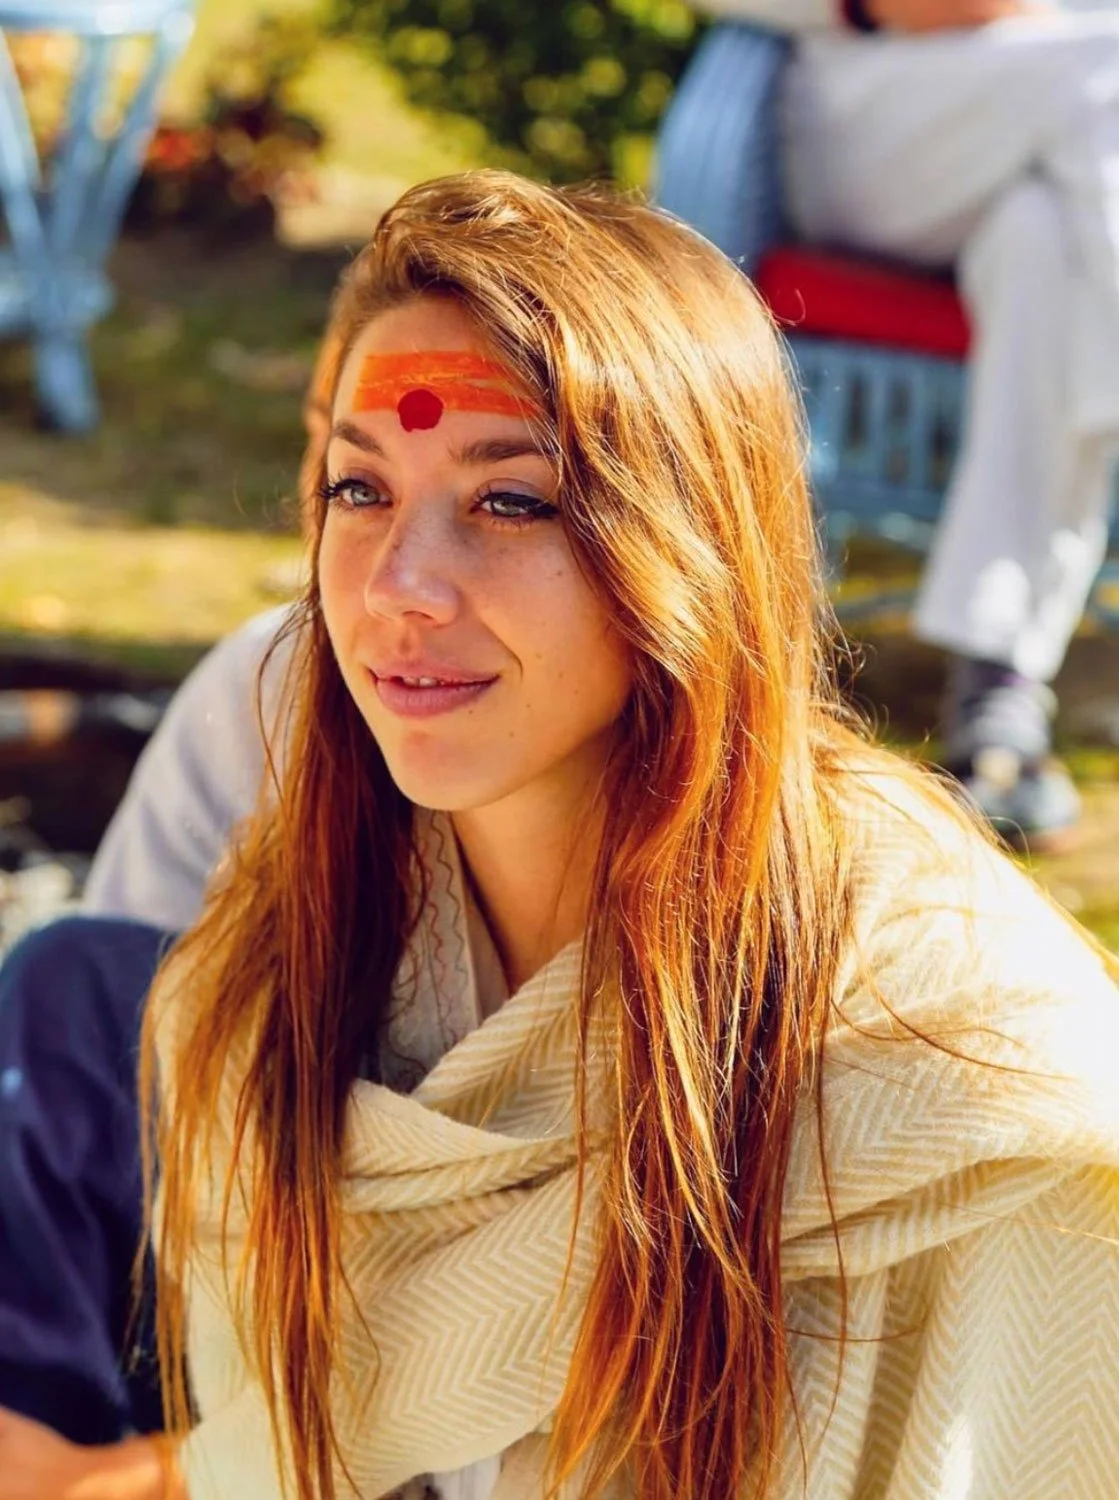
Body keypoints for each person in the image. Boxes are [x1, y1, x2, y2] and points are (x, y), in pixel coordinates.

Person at [1, 169, 1118, 1500]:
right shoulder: (258, 976)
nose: (398, 591)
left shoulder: (955, 1068)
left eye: (510, 501)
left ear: (685, 550)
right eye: (357, 491)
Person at [694, 0, 1119, 844]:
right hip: (870, 124)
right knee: (1107, 74)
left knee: (1037, 243)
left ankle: (998, 679)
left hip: (1055, 159)